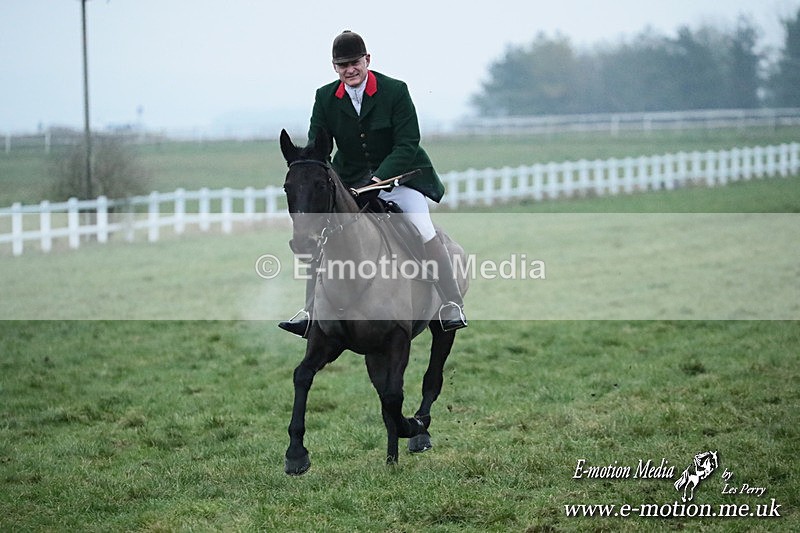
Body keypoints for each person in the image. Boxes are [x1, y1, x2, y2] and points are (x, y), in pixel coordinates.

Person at [279, 30, 467, 337]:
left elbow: (407, 143)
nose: (349, 70)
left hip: (401, 177)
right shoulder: (325, 97)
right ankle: (309, 311)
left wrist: (380, 179)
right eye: (342, 65)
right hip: (350, 180)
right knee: (323, 233)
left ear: (367, 60)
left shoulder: (395, 90)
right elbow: (319, 144)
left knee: (423, 228)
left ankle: (450, 303)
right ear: (334, 67)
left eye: (354, 62)